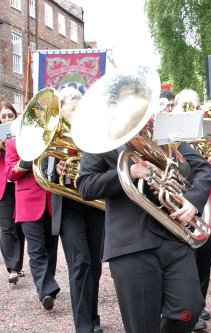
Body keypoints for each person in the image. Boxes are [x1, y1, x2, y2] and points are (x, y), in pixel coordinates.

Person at [77, 85, 211, 332]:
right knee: (142, 326)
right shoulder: (101, 139)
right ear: (114, 104)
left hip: (174, 236)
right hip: (131, 244)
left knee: (189, 310)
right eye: (126, 99)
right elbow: (85, 185)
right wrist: (125, 173)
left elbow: (202, 168)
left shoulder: (161, 129)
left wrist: (193, 201)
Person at [173, 90, 211, 332]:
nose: (190, 111)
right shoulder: (170, 130)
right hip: (177, 200)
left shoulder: (207, 128)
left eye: (194, 106)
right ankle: (184, 307)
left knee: (202, 258)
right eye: (185, 106)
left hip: (209, 202)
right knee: (181, 258)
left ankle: (198, 305)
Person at [48, 87, 105, 333]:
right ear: (61, 112)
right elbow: (42, 169)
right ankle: (83, 326)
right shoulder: (51, 135)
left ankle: (92, 317)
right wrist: (56, 169)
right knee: (80, 263)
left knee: (95, 264)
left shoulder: (96, 134)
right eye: (72, 110)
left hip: (95, 205)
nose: (77, 114)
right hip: (69, 206)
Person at [5, 127, 60, 310]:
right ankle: (45, 290)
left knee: (51, 248)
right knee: (36, 249)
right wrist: (28, 157)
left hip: (51, 199)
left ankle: (47, 283)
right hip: (28, 202)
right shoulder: (13, 144)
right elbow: (11, 173)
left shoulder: (51, 141)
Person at [0, 101, 25, 285]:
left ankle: (18, 263)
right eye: (3, 116)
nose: (7, 119)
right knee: (6, 226)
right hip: (3, 186)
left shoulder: (21, 133)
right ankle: (12, 268)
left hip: (20, 183)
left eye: (10, 115)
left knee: (20, 225)